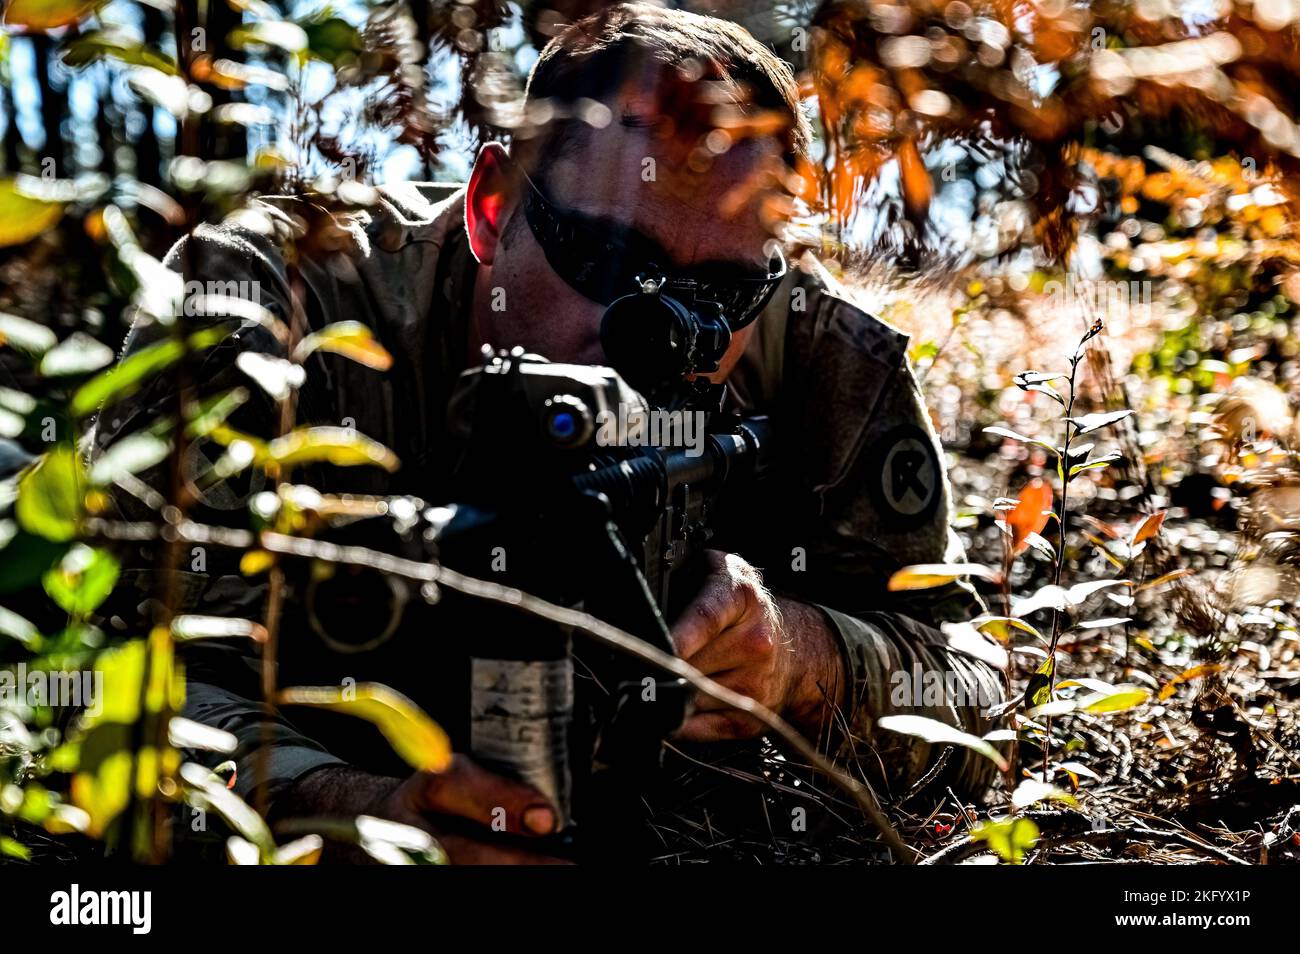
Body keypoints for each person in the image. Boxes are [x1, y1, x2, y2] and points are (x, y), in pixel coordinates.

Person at [94, 2, 1004, 864]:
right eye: (607, 258)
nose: (658, 337)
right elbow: (113, 681)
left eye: (722, 297)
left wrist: (803, 659)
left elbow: (978, 699)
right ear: (493, 205)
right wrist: (363, 816)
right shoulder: (282, 307)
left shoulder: (820, 361)